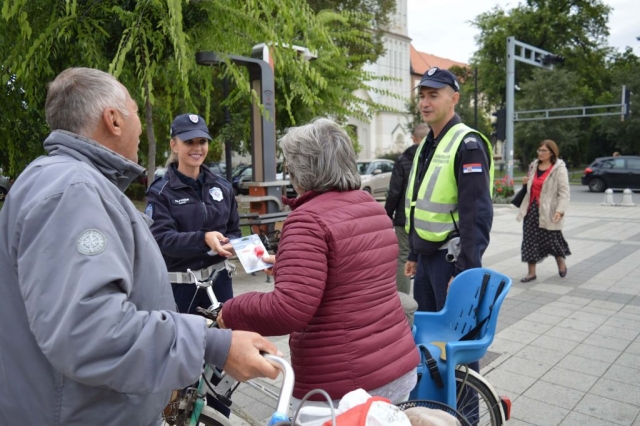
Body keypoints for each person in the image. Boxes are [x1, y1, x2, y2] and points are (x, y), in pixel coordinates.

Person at [0, 67, 280, 426]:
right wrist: (212, 345)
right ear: (113, 120)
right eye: (135, 111)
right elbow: (90, 332)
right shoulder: (72, 193)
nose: (139, 127)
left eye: (202, 141)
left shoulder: (67, 182)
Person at [217, 118, 419, 407]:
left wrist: (232, 310)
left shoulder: (307, 220)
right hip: (395, 365)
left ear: (303, 169)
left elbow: (288, 310)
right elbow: (352, 276)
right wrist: (291, 265)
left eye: (289, 166)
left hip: (342, 385)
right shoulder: (370, 207)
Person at [404, 67, 494, 313]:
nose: (424, 103)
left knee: (452, 336)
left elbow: (476, 214)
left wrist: (464, 271)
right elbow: (418, 204)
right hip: (426, 259)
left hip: (451, 260)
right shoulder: (428, 143)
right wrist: (414, 252)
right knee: (427, 332)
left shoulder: (468, 144)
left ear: (454, 98)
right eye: (422, 96)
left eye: (433, 95)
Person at [146, 113, 240, 313]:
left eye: (202, 141)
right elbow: (162, 240)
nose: (197, 148)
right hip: (181, 288)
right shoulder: (160, 192)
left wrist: (231, 244)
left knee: (224, 341)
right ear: (174, 145)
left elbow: (234, 230)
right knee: (184, 343)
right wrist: (203, 239)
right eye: (189, 142)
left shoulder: (223, 188)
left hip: (220, 283)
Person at [385, 123, 430, 295]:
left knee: (403, 256)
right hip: (428, 219)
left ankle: (403, 300)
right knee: (426, 256)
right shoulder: (434, 157)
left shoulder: (403, 160)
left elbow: (394, 191)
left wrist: (388, 214)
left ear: (413, 138)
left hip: (404, 219)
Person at [517, 140, 571, 282]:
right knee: (529, 240)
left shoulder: (559, 168)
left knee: (552, 239)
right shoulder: (533, 165)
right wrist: (525, 182)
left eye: (543, 151)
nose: (540, 153)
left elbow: (564, 192)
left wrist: (560, 211)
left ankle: (560, 260)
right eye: (539, 150)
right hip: (531, 209)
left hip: (549, 210)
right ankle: (531, 272)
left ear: (552, 153)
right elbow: (530, 185)